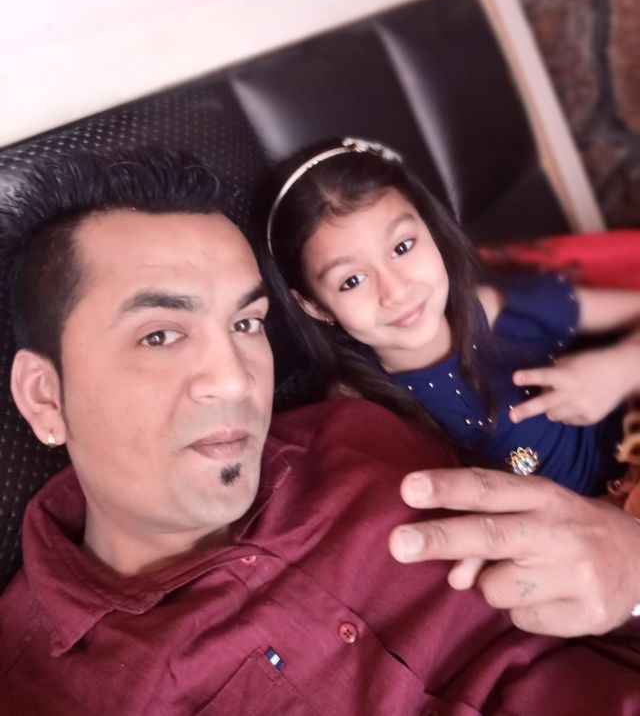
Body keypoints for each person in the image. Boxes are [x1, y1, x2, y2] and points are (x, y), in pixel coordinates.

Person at [1, 150, 640, 715]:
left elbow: (574, 570)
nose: (235, 379)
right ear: (45, 396)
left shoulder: (363, 436)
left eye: (246, 325)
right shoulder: (50, 692)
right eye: (161, 335)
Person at [263, 137, 640, 495]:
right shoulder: (361, 412)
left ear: (431, 229)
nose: (397, 291)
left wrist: (619, 369)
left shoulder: (501, 308)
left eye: (403, 247)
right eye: (352, 280)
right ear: (315, 305)